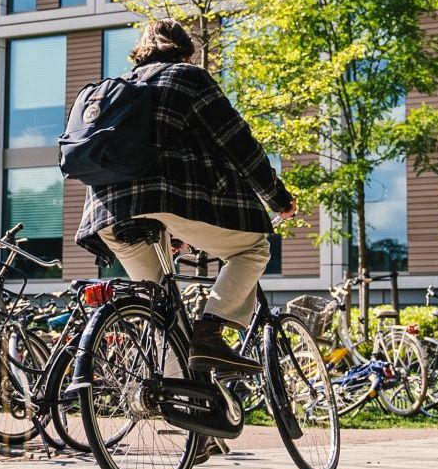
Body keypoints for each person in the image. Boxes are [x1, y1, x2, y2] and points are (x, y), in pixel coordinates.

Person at [75, 19, 294, 374]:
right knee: (253, 248)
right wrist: (277, 197)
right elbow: (237, 141)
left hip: (107, 214)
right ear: (187, 51)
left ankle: (183, 406)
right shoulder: (188, 77)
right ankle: (210, 333)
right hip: (166, 201)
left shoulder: (113, 89)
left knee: (161, 311)